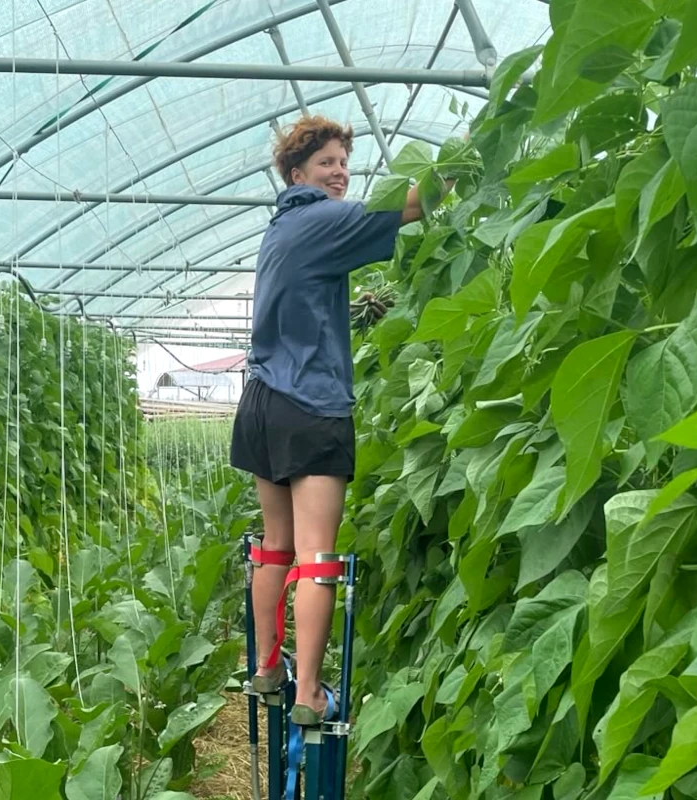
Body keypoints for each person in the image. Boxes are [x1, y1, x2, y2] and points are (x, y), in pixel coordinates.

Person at [229, 116, 435, 725]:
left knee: (274, 548)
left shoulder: (280, 228)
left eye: (344, 162)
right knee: (318, 556)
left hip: (262, 400)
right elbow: (413, 203)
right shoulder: (322, 217)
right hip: (309, 402)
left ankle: (267, 668)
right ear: (298, 174)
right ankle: (309, 694)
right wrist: (467, 168)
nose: (340, 172)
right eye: (327, 163)